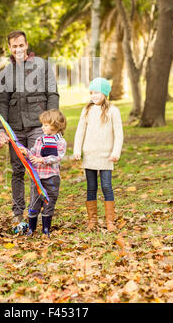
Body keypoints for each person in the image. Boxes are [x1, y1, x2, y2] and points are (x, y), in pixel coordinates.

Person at [0, 30, 59, 231]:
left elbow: (53, 94)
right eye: (14, 46)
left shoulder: (42, 66)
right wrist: (0, 129)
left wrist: (53, 123)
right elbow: (2, 103)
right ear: (9, 48)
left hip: (38, 127)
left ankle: (35, 212)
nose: (18, 49)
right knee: (17, 171)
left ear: (26, 45)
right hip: (15, 129)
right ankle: (17, 214)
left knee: (36, 170)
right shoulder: (6, 72)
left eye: (21, 45)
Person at [73, 77, 123, 232]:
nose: (94, 96)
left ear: (105, 93)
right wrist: (77, 149)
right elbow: (80, 131)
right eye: (92, 93)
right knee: (91, 187)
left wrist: (116, 151)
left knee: (107, 186)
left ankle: (110, 221)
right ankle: (92, 220)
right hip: (90, 156)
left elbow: (119, 133)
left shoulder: (113, 111)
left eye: (97, 92)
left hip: (106, 156)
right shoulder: (87, 110)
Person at [19, 109, 67, 237]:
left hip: (51, 178)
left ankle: (46, 229)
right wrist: (27, 153)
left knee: (49, 202)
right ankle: (31, 229)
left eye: (46, 125)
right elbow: (33, 153)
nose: (42, 127)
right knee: (35, 202)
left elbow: (57, 157)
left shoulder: (60, 142)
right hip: (38, 178)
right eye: (43, 124)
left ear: (56, 125)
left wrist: (42, 160)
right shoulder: (40, 139)